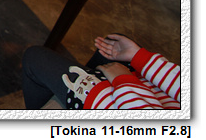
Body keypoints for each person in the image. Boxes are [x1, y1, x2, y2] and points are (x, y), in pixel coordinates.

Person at [21, 34, 180, 109]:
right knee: (112, 44)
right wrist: (140, 57)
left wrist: (123, 80)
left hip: (115, 102)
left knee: (35, 57)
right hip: (146, 92)